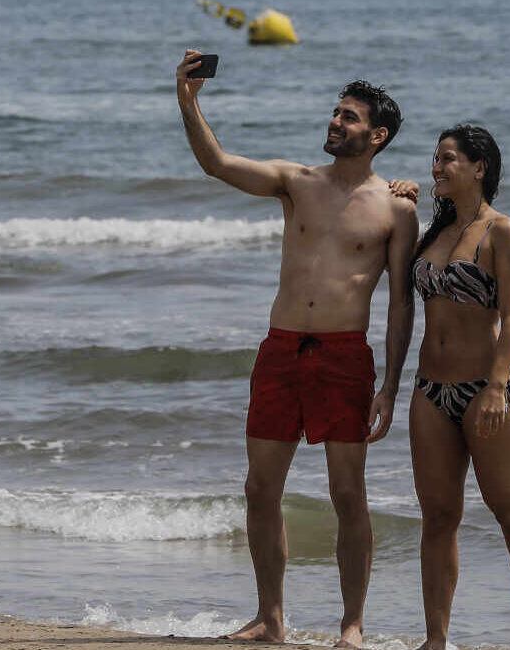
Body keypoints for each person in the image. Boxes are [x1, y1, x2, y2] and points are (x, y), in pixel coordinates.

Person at [174, 50, 419, 647]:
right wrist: (188, 98)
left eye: (350, 117)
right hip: (281, 349)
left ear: (377, 134)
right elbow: (217, 163)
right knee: (260, 487)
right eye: (335, 113)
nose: (336, 122)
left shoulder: (398, 208)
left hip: (344, 357)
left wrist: (390, 384)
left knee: (346, 493)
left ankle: (353, 623)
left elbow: (400, 303)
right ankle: (270, 617)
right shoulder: (295, 181)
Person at [409, 125, 510, 650]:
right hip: (429, 391)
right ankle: (436, 638)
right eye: (436, 159)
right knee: (439, 516)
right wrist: (400, 192)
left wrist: (495, 387)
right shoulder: (433, 232)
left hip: (486, 391)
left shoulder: (502, 232)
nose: (437, 167)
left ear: (479, 167)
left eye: (448, 159)